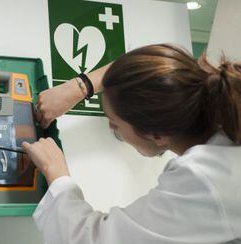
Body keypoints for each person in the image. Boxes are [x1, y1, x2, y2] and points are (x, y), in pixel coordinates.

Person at [21, 44, 241, 244]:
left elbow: (92, 240)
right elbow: (155, 68)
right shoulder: (215, 107)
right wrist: (81, 86)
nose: (110, 128)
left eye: (115, 124)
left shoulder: (204, 178)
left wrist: (57, 174)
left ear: (157, 135)